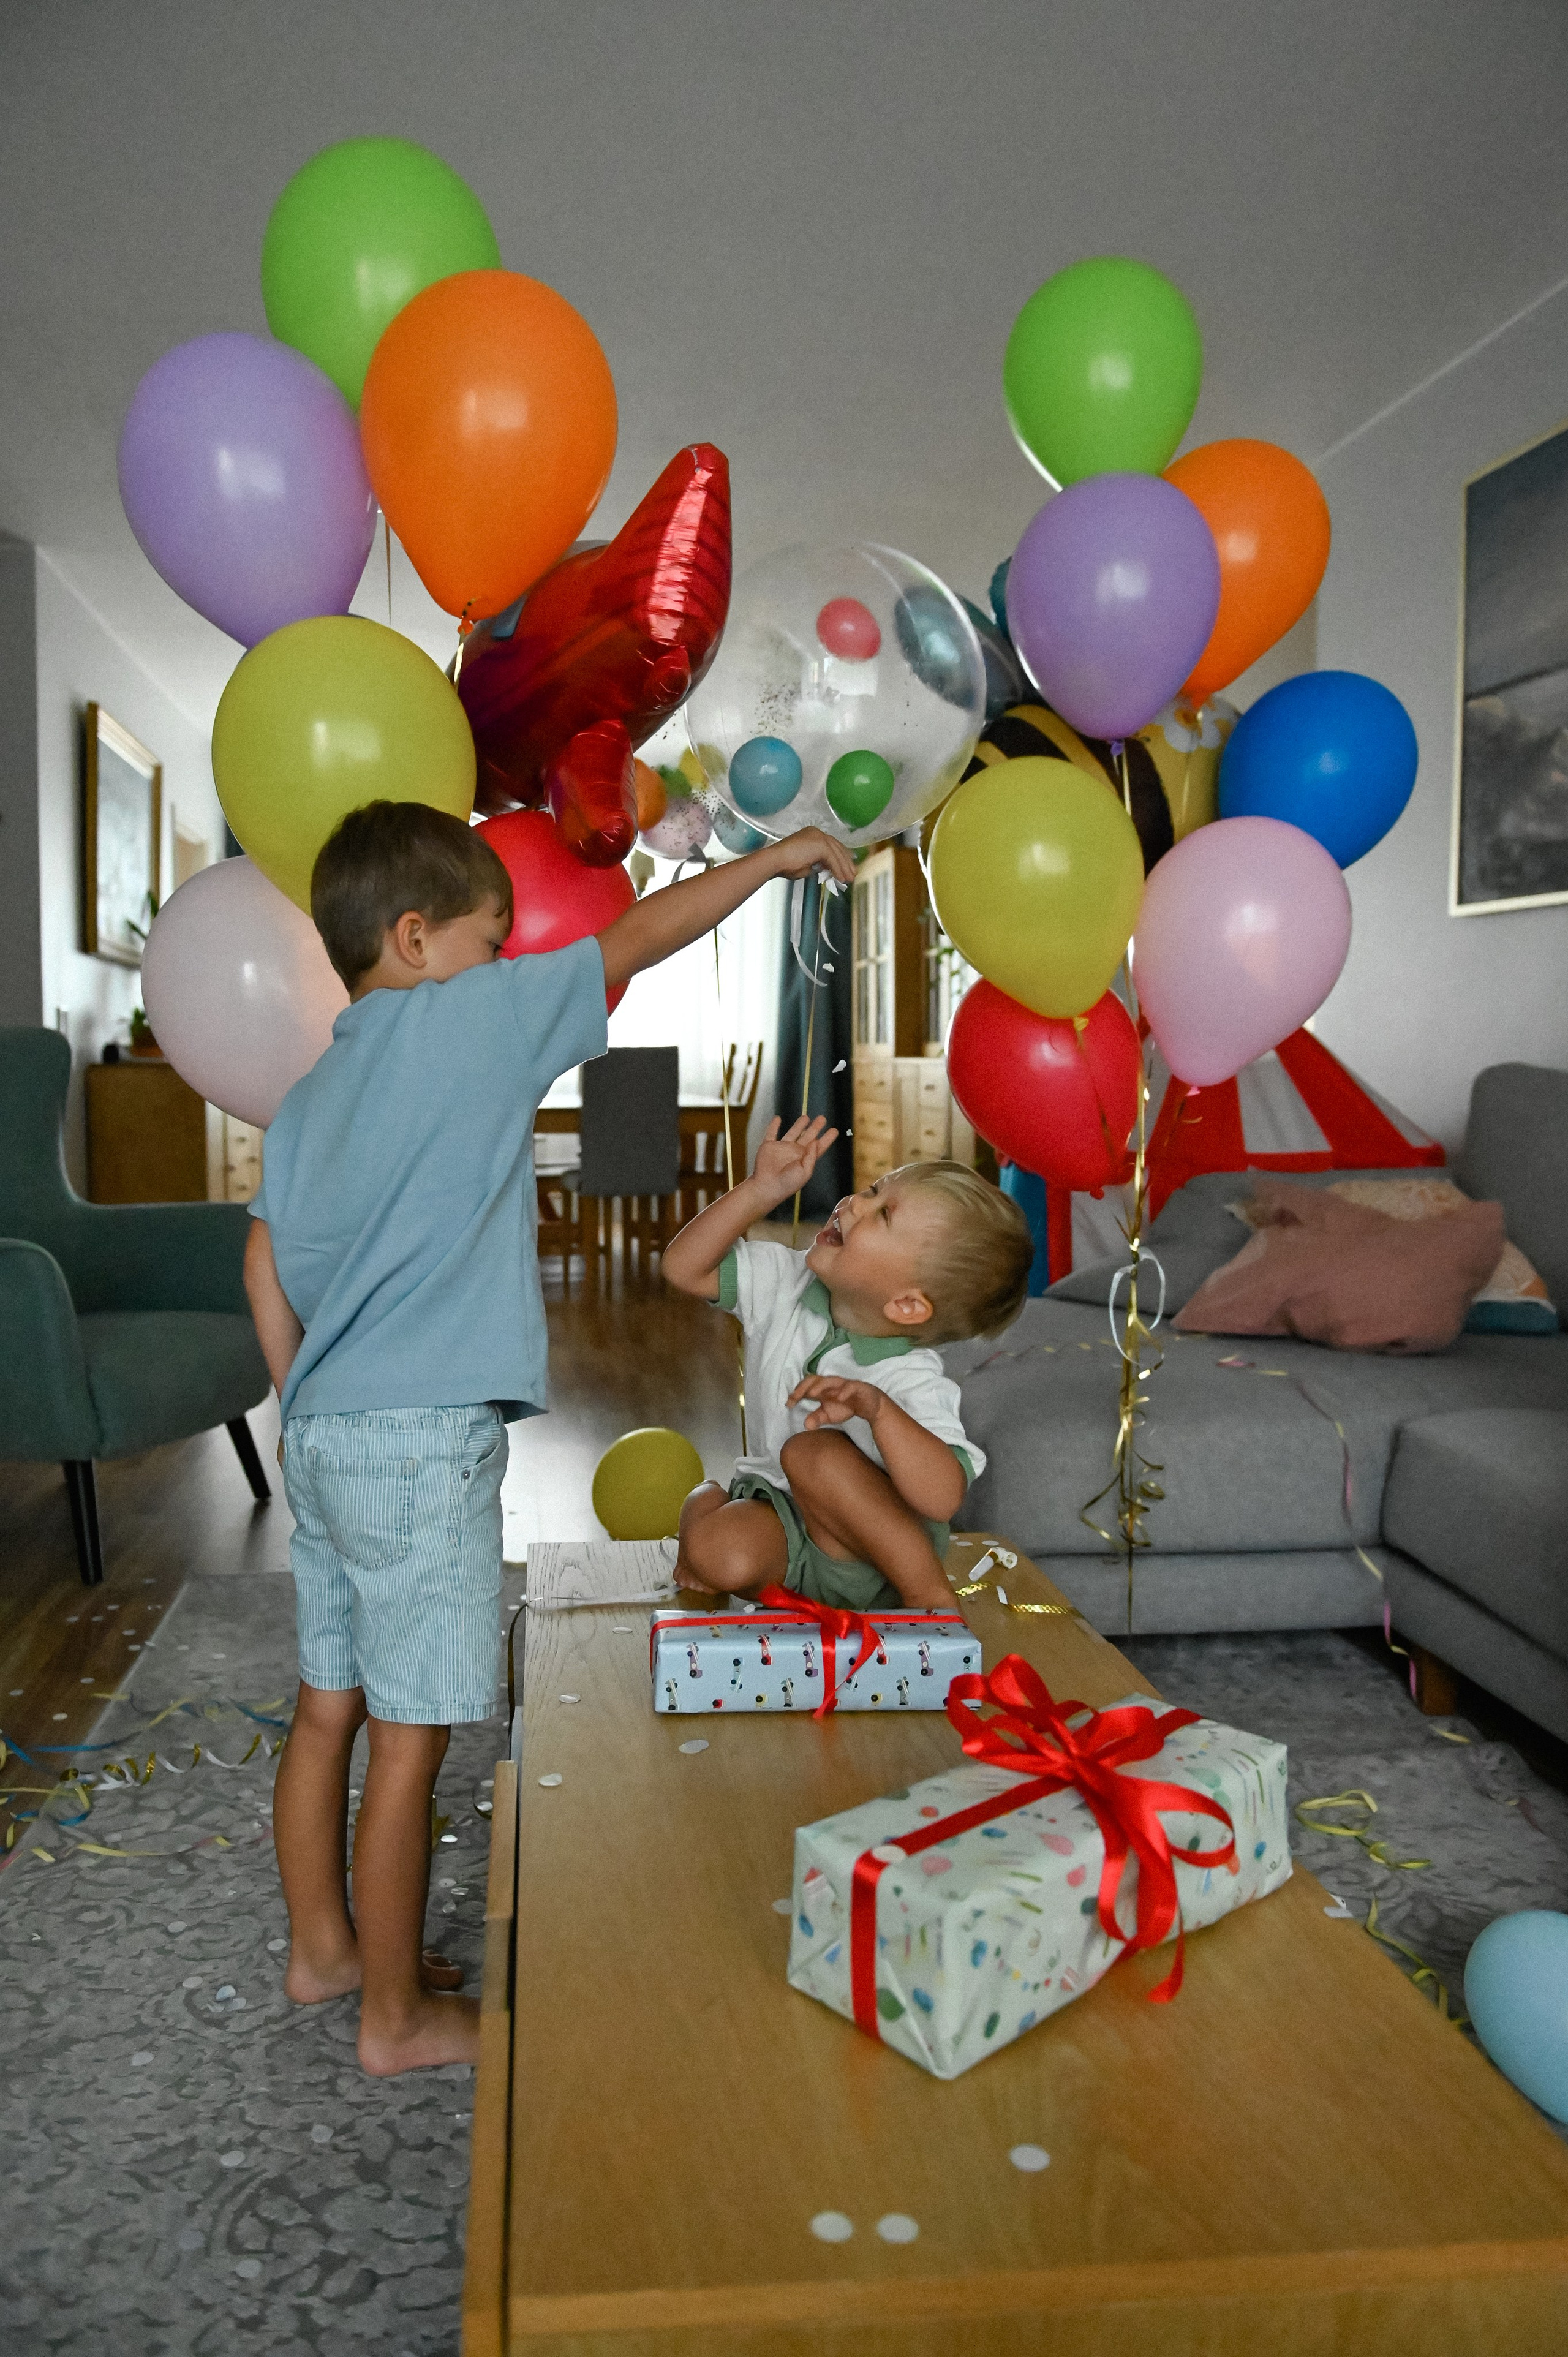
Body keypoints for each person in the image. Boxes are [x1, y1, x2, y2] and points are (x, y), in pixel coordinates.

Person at [243, 799, 853, 2076]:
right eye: (490, 939)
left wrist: (302, 1402)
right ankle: (396, 2018)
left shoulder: (305, 1098)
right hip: (421, 1445)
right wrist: (778, 857)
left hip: (328, 1432)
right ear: (416, 938)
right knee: (411, 1739)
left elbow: (262, 1258)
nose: (505, 962)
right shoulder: (468, 1018)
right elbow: (635, 939)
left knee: (326, 1708)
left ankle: (323, 1950)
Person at [662, 1115, 1032, 1613]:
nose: (854, 1203)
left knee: (811, 1453)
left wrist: (879, 1412)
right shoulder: (785, 1281)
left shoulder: (910, 1377)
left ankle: (930, 1595)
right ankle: (707, 1501)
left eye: (882, 1214)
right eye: (872, 1190)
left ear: (907, 1305)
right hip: (788, 1531)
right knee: (718, 1558)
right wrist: (759, 1190)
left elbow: (942, 1500)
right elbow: (683, 1269)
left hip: (880, 1563)